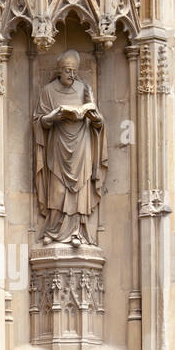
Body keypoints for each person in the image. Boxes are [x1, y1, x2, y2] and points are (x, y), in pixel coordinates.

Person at [33, 50, 107, 245]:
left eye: (74, 71)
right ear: (59, 71)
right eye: (67, 70)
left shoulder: (84, 89)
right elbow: (39, 120)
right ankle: (53, 228)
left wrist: (95, 118)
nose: (71, 75)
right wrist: (52, 117)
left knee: (80, 187)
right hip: (58, 145)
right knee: (57, 187)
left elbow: (98, 120)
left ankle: (77, 231)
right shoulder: (48, 91)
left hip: (82, 145)